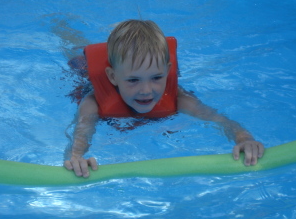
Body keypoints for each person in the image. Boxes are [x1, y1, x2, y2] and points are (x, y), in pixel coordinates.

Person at [64, 20, 264, 177]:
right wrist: (76, 158)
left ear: (168, 72)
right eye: (133, 80)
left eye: (156, 78)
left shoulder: (180, 99)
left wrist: (245, 139)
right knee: (76, 55)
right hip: (85, 75)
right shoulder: (93, 104)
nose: (146, 90)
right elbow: (79, 135)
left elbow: (223, 122)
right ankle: (64, 31)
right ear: (113, 77)